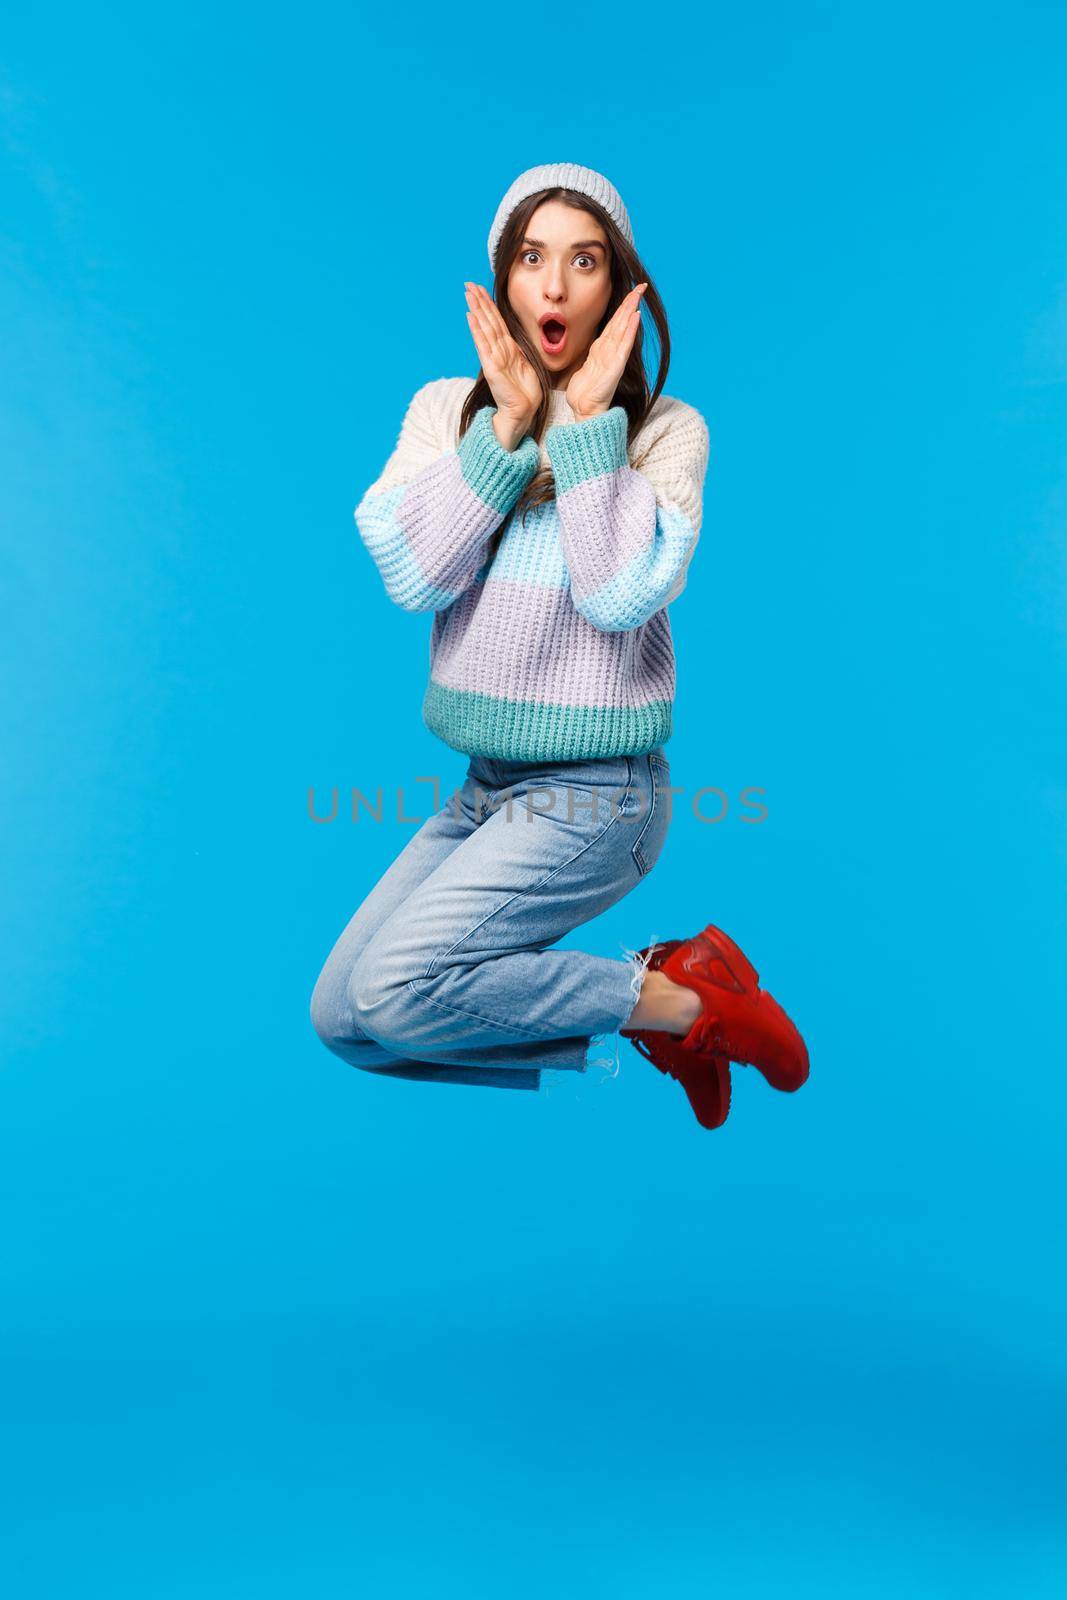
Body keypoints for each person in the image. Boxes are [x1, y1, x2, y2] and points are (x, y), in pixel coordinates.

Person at [309, 161, 809, 1129]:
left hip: (598, 795)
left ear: (617, 287)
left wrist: (583, 428)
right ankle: (656, 1012)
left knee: (393, 994)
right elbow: (414, 577)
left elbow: (620, 594)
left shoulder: (665, 430)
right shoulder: (444, 412)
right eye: (530, 258)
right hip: (486, 785)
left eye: (582, 260)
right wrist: (502, 432)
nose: (551, 283)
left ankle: (682, 1005)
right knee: (346, 1021)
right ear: (503, 280)